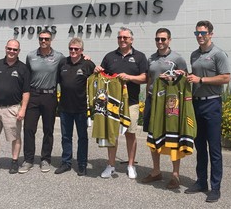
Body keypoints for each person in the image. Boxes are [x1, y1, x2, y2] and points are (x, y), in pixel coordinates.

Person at [184, 20, 230, 202]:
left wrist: (201, 80)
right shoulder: (194, 55)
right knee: (200, 146)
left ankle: (215, 187)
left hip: (212, 104)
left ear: (211, 34)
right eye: (197, 33)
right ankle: (201, 181)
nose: (200, 36)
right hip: (196, 104)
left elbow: (226, 78)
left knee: (214, 148)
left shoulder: (218, 54)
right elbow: (193, 78)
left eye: (203, 33)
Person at [94, 27, 147, 179]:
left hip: (131, 103)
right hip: (112, 103)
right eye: (120, 37)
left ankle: (131, 165)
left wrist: (129, 77)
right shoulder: (110, 56)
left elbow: (145, 78)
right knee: (112, 135)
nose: (122, 40)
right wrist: (97, 70)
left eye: (125, 37)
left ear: (131, 39)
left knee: (131, 134)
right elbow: (102, 74)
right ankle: (110, 165)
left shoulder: (140, 57)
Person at [141, 28, 188, 189]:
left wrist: (173, 76)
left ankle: (175, 174)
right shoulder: (151, 58)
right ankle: (156, 171)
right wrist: (148, 95)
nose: (160, 42)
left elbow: (185, 80)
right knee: (153, 136)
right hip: (153, 101)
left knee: (172, 136)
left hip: (169, 102)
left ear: (169, 40)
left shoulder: (177, 58)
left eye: (163, 39)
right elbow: (149, 79)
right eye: (157, 39)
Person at [0, 39, 30, 174]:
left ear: (18, 51)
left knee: (15, 137)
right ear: (5, 48)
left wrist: (23, 109)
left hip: (12, 109)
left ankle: (14, 162)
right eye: (10, 48)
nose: (12, 51)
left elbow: (26, 92)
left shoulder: (23, 68)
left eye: (15, 49)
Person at [19, 29, 64, 174]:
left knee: (48, 130)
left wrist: (85, 57)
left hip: (49, 96)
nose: (43, 41)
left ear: (51, 40)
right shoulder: (31, 56)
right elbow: (26, 77)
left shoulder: (59, 57)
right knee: (28, 129)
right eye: (41, 39)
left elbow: (71, 64)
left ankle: (45, 159)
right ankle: (28, 160)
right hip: (33, 96)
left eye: (46, 39)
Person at [54, 37, 95, 176]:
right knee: (66, 137)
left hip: (81, 108)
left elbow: (98, 80)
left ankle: (82, 164)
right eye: (71, 48)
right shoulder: (63, 63)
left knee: (82, 137)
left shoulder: (88, 65)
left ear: (81, 51)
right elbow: (58, 81)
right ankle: (66, 162)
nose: (73, 51)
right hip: (65, 108)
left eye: (76, 49)